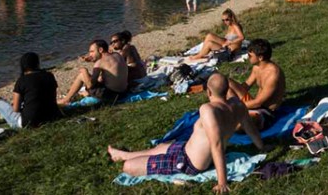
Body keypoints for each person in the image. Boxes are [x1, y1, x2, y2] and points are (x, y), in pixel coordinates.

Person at [108, 73, 267, 192]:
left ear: (209, 92)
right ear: (227, 90)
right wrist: (262, 147)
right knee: (161, 147)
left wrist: (222, 182)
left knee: (128, 167)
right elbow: (250, 129)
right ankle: (123, 154)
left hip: (189, 163)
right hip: (186, 150)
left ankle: (126, 159)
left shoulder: (209, 110)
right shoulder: (238, 105)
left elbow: (216, 144)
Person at [226, 39, 285, 130]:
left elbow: (258, 102)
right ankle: (232, 112)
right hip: (253, 104)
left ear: (260, 57)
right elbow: (246, 86)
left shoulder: (273, 75)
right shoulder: (257, 67)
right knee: (227, 83)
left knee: (239, 125)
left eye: (250, 55)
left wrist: (236, 107)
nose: (247, 57)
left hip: (265, 112)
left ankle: (233, 113)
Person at [0, 52, 62, 128]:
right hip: (53, 116)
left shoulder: (22, 80)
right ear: (37, 63)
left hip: (29, 123)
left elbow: (16, 109)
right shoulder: (49, 76)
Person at [58, 40, 128, 105]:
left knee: (82, 75)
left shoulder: (99, 63)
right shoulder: (117, 55)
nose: (90, 54)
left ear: (100, 50)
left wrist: (84, 70)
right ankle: (83, 93)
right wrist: (92, 60)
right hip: (123, 93)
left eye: (92, 51)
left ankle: (66, 100)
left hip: (111, 96)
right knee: (100, 78)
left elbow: (90, 85)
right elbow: (106, 66)